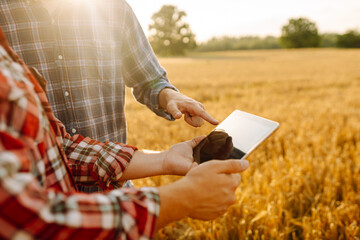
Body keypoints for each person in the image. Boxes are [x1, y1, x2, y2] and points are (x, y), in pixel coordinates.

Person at [0, 28, 249, 239]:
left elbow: (58, 146)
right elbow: (15, 216)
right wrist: (182, 198)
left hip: (113, 205)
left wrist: (163, 159)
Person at [0, 0, 219, 145]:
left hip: (114, 185)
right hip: (34, 198)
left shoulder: (112, 8)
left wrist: (170, 95)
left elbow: (149, 80)